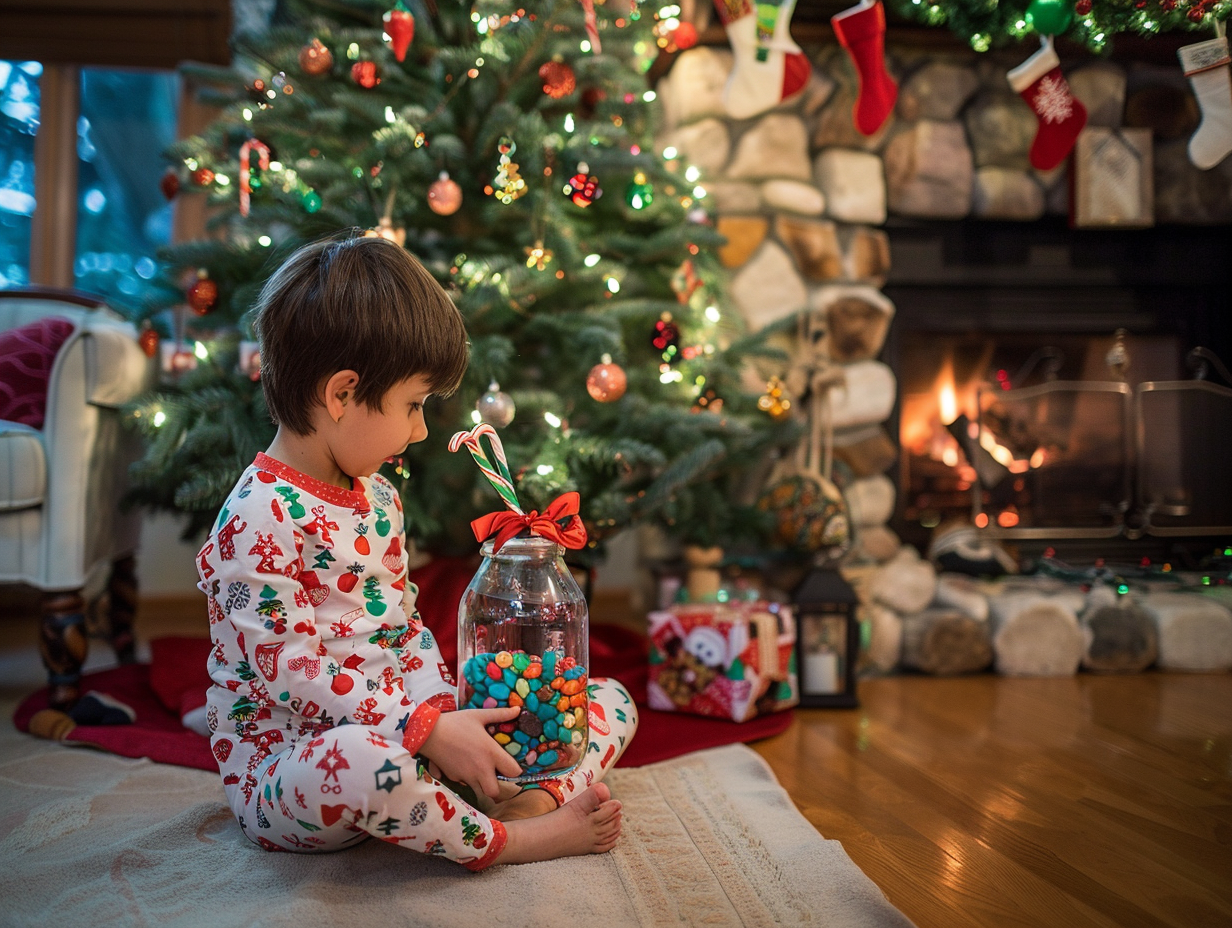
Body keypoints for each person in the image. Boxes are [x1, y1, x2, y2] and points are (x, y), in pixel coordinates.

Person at [196, 234, 637, 869]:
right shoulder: (255, 517)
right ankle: (515, 836)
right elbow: (291, 675)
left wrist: (445, 714)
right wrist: (425, 730)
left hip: (411, 733)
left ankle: (520, 793)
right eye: (412, 404)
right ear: (342, 394)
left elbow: (405, 630)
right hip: (299, 768)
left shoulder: (379, 497)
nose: (422, 430)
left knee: (608, 702)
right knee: (356, 765)